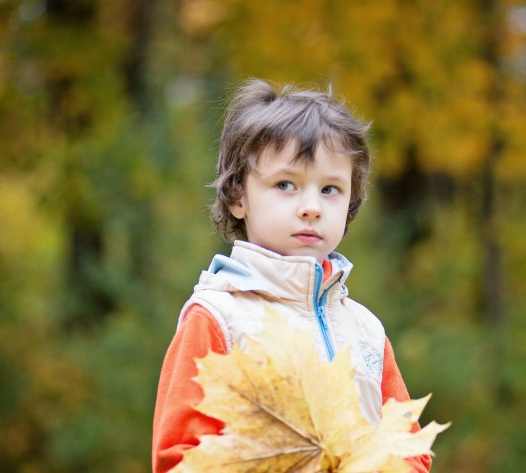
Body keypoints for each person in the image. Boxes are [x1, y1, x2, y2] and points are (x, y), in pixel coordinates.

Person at [152, 79, 432, 473]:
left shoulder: (366, 330)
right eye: (286, 184)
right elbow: (180, 457)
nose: (311, 207)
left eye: (331, 189)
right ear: (238, 197)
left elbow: (409, 448)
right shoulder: (218, 318)